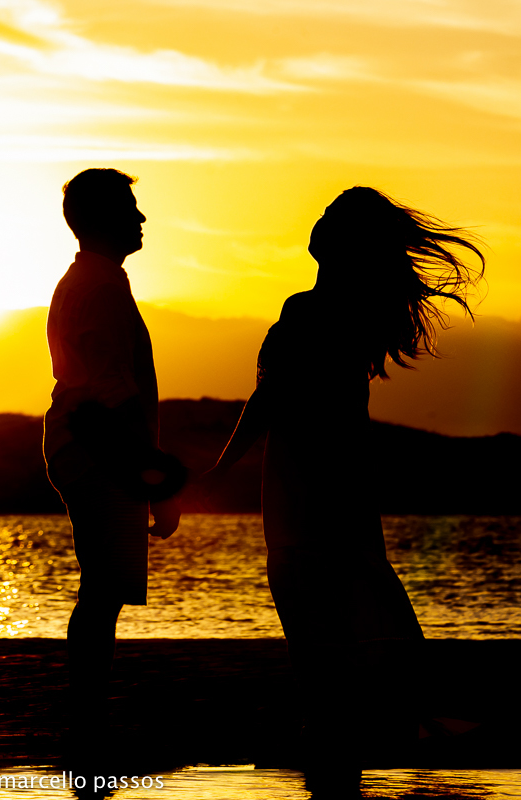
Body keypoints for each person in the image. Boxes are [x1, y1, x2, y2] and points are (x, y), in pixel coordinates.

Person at [204, 186, 484, 788]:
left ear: (345, 241)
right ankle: (391, 721)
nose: (318, 220)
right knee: (358, 598)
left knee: (315, 613)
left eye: (331, 217)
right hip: (342, 483)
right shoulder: (353, 315)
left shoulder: (310, 311)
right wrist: (221, 472)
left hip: (305, 485)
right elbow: (271, 400)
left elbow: (269, 400)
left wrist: (220, 473)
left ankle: (337, 732)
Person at [43, 168, 184, 722]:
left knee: (103, 589)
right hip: (100, 454)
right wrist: (155, 481)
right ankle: (87, 712)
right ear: (103, 219)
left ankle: (88, 706)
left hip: (91, 450)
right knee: (103, 591)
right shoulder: (100, 286)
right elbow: (110, 398)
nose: (141, 216)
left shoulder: (93, 281)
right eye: (130, 206)